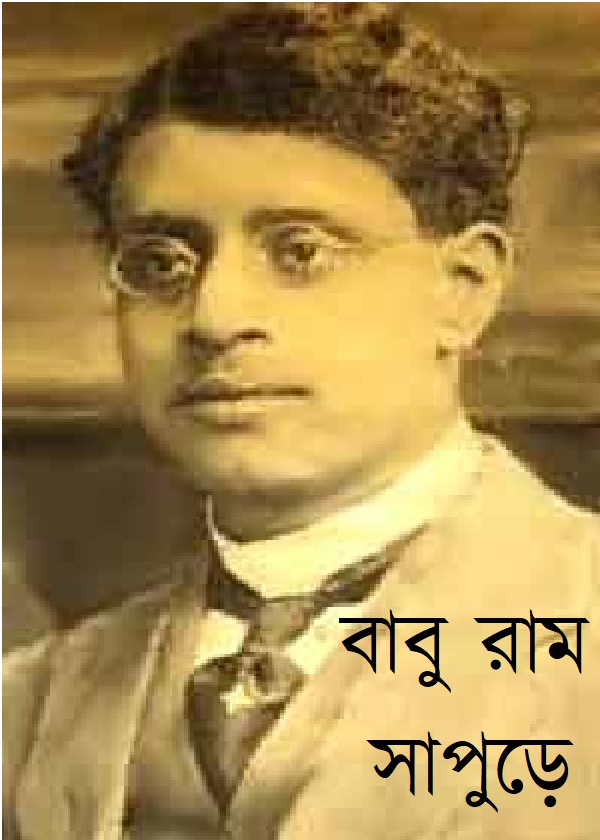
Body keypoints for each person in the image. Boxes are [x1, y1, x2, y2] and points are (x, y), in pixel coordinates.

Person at [4, 5, 599, 839]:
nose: (214, 317)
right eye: (162, 263)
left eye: (300, 252)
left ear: (463, 288)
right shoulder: (31, 702)